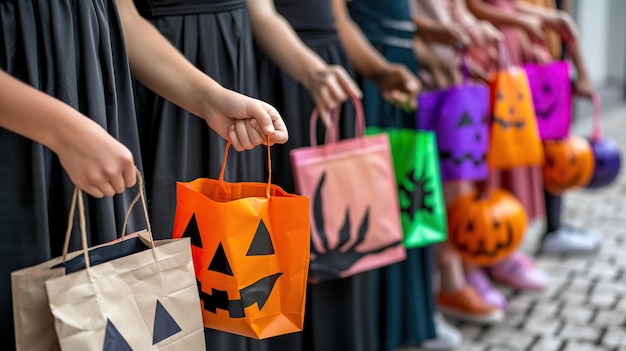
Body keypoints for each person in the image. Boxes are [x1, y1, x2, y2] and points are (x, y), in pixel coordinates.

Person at [0, 0, 287, 348]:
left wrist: (211, 101)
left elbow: (124, 18)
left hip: (95, 118)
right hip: (22, 137)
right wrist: (63, 132)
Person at [252, 1, 420, 350]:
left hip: (331, 65)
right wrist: (312, 70)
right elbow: (262, 14)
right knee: (293, 238)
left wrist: (379, 71)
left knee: (343, 234)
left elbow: (337, 17)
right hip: (284, 68)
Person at [413, 0, 510, 316]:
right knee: (427, 184)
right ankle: (450, 278)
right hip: (418, 75)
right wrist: (433, 36)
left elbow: (455, 10)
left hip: (452, 75)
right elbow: (392, 16)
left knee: (459, 180)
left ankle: (463, 272)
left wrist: (472, 30)